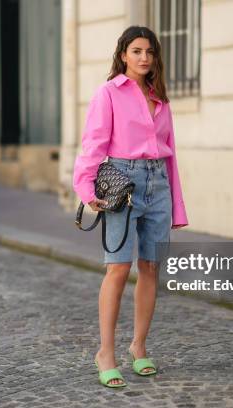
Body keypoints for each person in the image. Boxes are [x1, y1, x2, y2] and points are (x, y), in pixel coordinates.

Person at [72, 25, 188, 388]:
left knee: (151, 267)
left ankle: (139, 347)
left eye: (149, 52)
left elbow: (171, 157)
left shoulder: (161, 98)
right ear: (123, 54)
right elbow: (93, 143)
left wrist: (177, 206)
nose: (144, 58)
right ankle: (106, 352)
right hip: (122, 183)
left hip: (159, 186)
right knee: (118, 268)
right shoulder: (108, 93)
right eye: (136, 51)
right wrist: (86, 187)